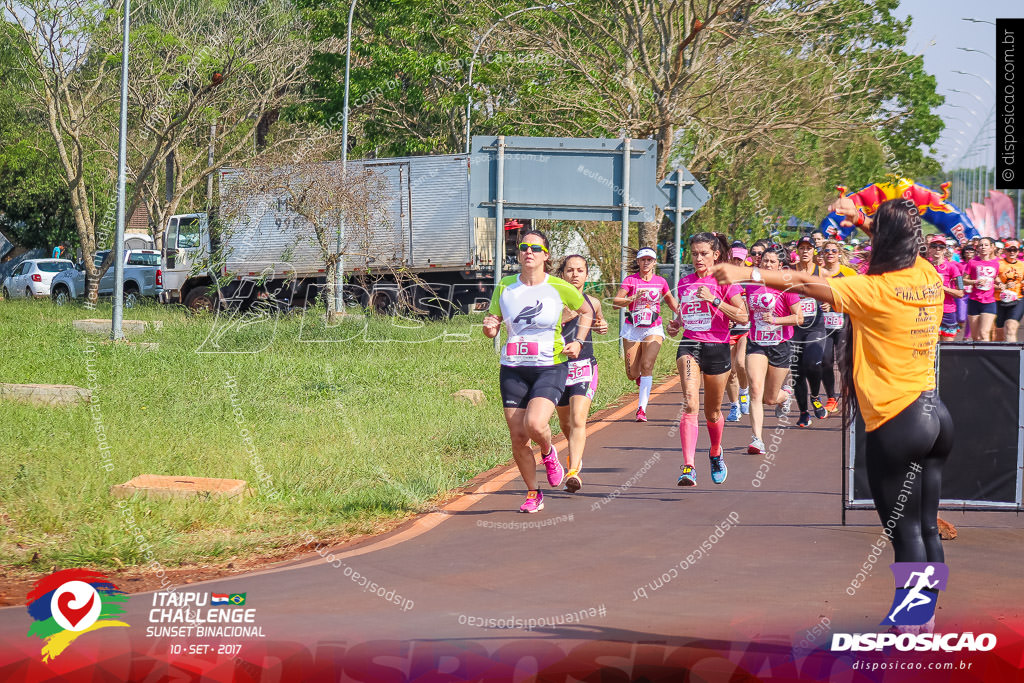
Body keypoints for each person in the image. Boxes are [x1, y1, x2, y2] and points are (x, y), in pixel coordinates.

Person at [714, 197, 952, 633]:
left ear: (882, 242)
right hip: (935, 414)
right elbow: (896, 241)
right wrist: (862, 219)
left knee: (906, 534)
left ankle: (912, 625)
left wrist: (748, 272)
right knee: (926, 528)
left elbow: (803, 284)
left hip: (897, 420)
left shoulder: (871, 290)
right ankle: (927, 619)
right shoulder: (929, 275)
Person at [483, 230, 593, 513]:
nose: (528, 251)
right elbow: (494, 320)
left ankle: (548, 451)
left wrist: (579, 341)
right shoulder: (506, 286)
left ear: (546, 255)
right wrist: (490, 327)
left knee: (534, 424)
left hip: (550, 366)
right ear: (519, 254)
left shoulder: (558, 286)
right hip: (513, 368)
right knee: (518, 436)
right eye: (523, 247)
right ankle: (533, 492)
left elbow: (586, 311)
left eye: (535, 248)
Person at [666, 232, 748, 487]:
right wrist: (676, 324)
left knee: (712, 412)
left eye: (704, 253)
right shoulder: (685, 281)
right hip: (690, 344)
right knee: (690, 403)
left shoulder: (725, 281)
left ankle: (715, 451)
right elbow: (684, 314)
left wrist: (714, 300)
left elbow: (743, 316)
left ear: (716, 255)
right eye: (694, 253)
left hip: (718, 346)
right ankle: (688, 466)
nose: (698, 258)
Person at [554, 255, 608, 493]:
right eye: (569, 270)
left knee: (578, 419)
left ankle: (573, 472)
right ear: (562, 274)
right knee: (565, 423)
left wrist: (602, 325)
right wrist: (567, 315)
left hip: (584, 366)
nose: (575, 275)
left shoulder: (593, 302)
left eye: (580, 270)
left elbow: (600, 321)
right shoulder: (553, 300)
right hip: (556, 367)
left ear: (587, 275)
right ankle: (573, 454)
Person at [743, 247, 802, 454]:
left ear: (780, 266)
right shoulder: (751, 285)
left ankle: (785, 395)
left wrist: (776, 320)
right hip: (756, 343)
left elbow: (799, 318)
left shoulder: (787, 287)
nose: (767, 264)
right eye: (765, 260)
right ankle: (757, 439)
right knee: (756, 390)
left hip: (780, 345)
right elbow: (745, 312)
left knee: (769, 398)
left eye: (772, 261)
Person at [613, 247, 678, 422]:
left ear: (654, 262)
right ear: (638, 262)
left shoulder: (660, 282)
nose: (646, 263)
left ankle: (641, 409)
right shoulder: (630, 280)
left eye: (649, 260)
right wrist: (633, 298)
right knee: (632, 373)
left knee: (647, 365)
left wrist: (684, 317)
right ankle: (639, 378)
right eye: (643, 260)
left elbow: (672, 302)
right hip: (632, 327)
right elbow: (615, 303)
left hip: (653, 327)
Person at [814, 239, 858, 413]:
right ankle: (832, 397)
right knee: (825, 361)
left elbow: (855, 297)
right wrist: (820, 302)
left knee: (843, 361)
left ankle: (848, 394)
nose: (830, 253)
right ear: (822, 255)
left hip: (844, 322)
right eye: (827, 251)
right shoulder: (817, 274)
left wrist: (835, 304)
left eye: (833, 250)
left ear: (839, 253)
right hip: (823, 324)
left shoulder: (848, 273)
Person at [790, 235, 829, 427]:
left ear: (814, 251)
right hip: (794, 327)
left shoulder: (821, 272)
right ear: (797, 251)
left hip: (815, 326)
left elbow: (833, 292)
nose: (805, 251)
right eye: (802, 247)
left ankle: (815, 395)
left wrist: (830, 302)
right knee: (796, 372)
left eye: (808, 248)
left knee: (813, 363)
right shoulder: (789, 272)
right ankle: (804, 413)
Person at [725, 242, 751, 421]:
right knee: (729, 370)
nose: (736, 262)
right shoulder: (723, 277)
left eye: (739, 259)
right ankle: (734, 406)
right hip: (726, 330)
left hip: (746, 329)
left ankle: (744, 392)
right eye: (733, 258)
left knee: (741, 363)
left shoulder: (751, 278)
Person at [927, 236, 964, 343]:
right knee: (931, 346)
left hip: (947, 311)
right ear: (929, 248)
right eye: (934, 246)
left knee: (947, 348)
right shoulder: (925, 266)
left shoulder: (952, 267)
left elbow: (960, 293)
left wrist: (942, 288)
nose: (937, 249)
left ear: (945, 249)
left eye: (941, 247)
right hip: (930, 310)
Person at [963, 237, 1000, 341]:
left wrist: (1000, 284)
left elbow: (995, 278)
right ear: (977, 248)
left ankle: (986, 357)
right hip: (974, 300)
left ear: (991, 248)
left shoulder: (996, 263)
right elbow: (963, 280)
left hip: (989, 302)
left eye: (986, 245)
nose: (983, 247)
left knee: (984, 333)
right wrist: (975, 282)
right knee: (975, 336)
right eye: (981, 245)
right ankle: (976, 357)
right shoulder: (972, 262)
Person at [995, 239, 1024, 342]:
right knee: (998, 333)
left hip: (1018, 299)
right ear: (1004, 251)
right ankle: (997, 357)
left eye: (1014, 250)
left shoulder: (1022, 265)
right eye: (1009, 250)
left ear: (1018, 252)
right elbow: (991, 281)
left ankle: (1013, 356)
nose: (1012, 252)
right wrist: (1001, 285)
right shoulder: (998, 264)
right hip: (998, 300)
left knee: (1011, 328)